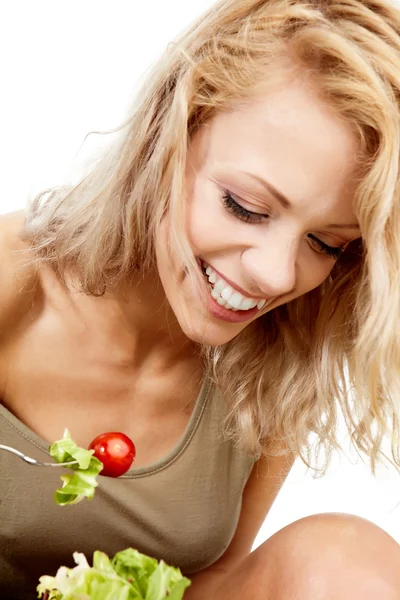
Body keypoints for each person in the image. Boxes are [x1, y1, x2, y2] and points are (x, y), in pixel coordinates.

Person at [1, 0, 400, 598]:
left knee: (346, 561)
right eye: (245, 206)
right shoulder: (15, 280)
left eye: (325, 243)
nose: (274, 276)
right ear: (172, 134)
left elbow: (208, 582)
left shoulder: (281, 358)